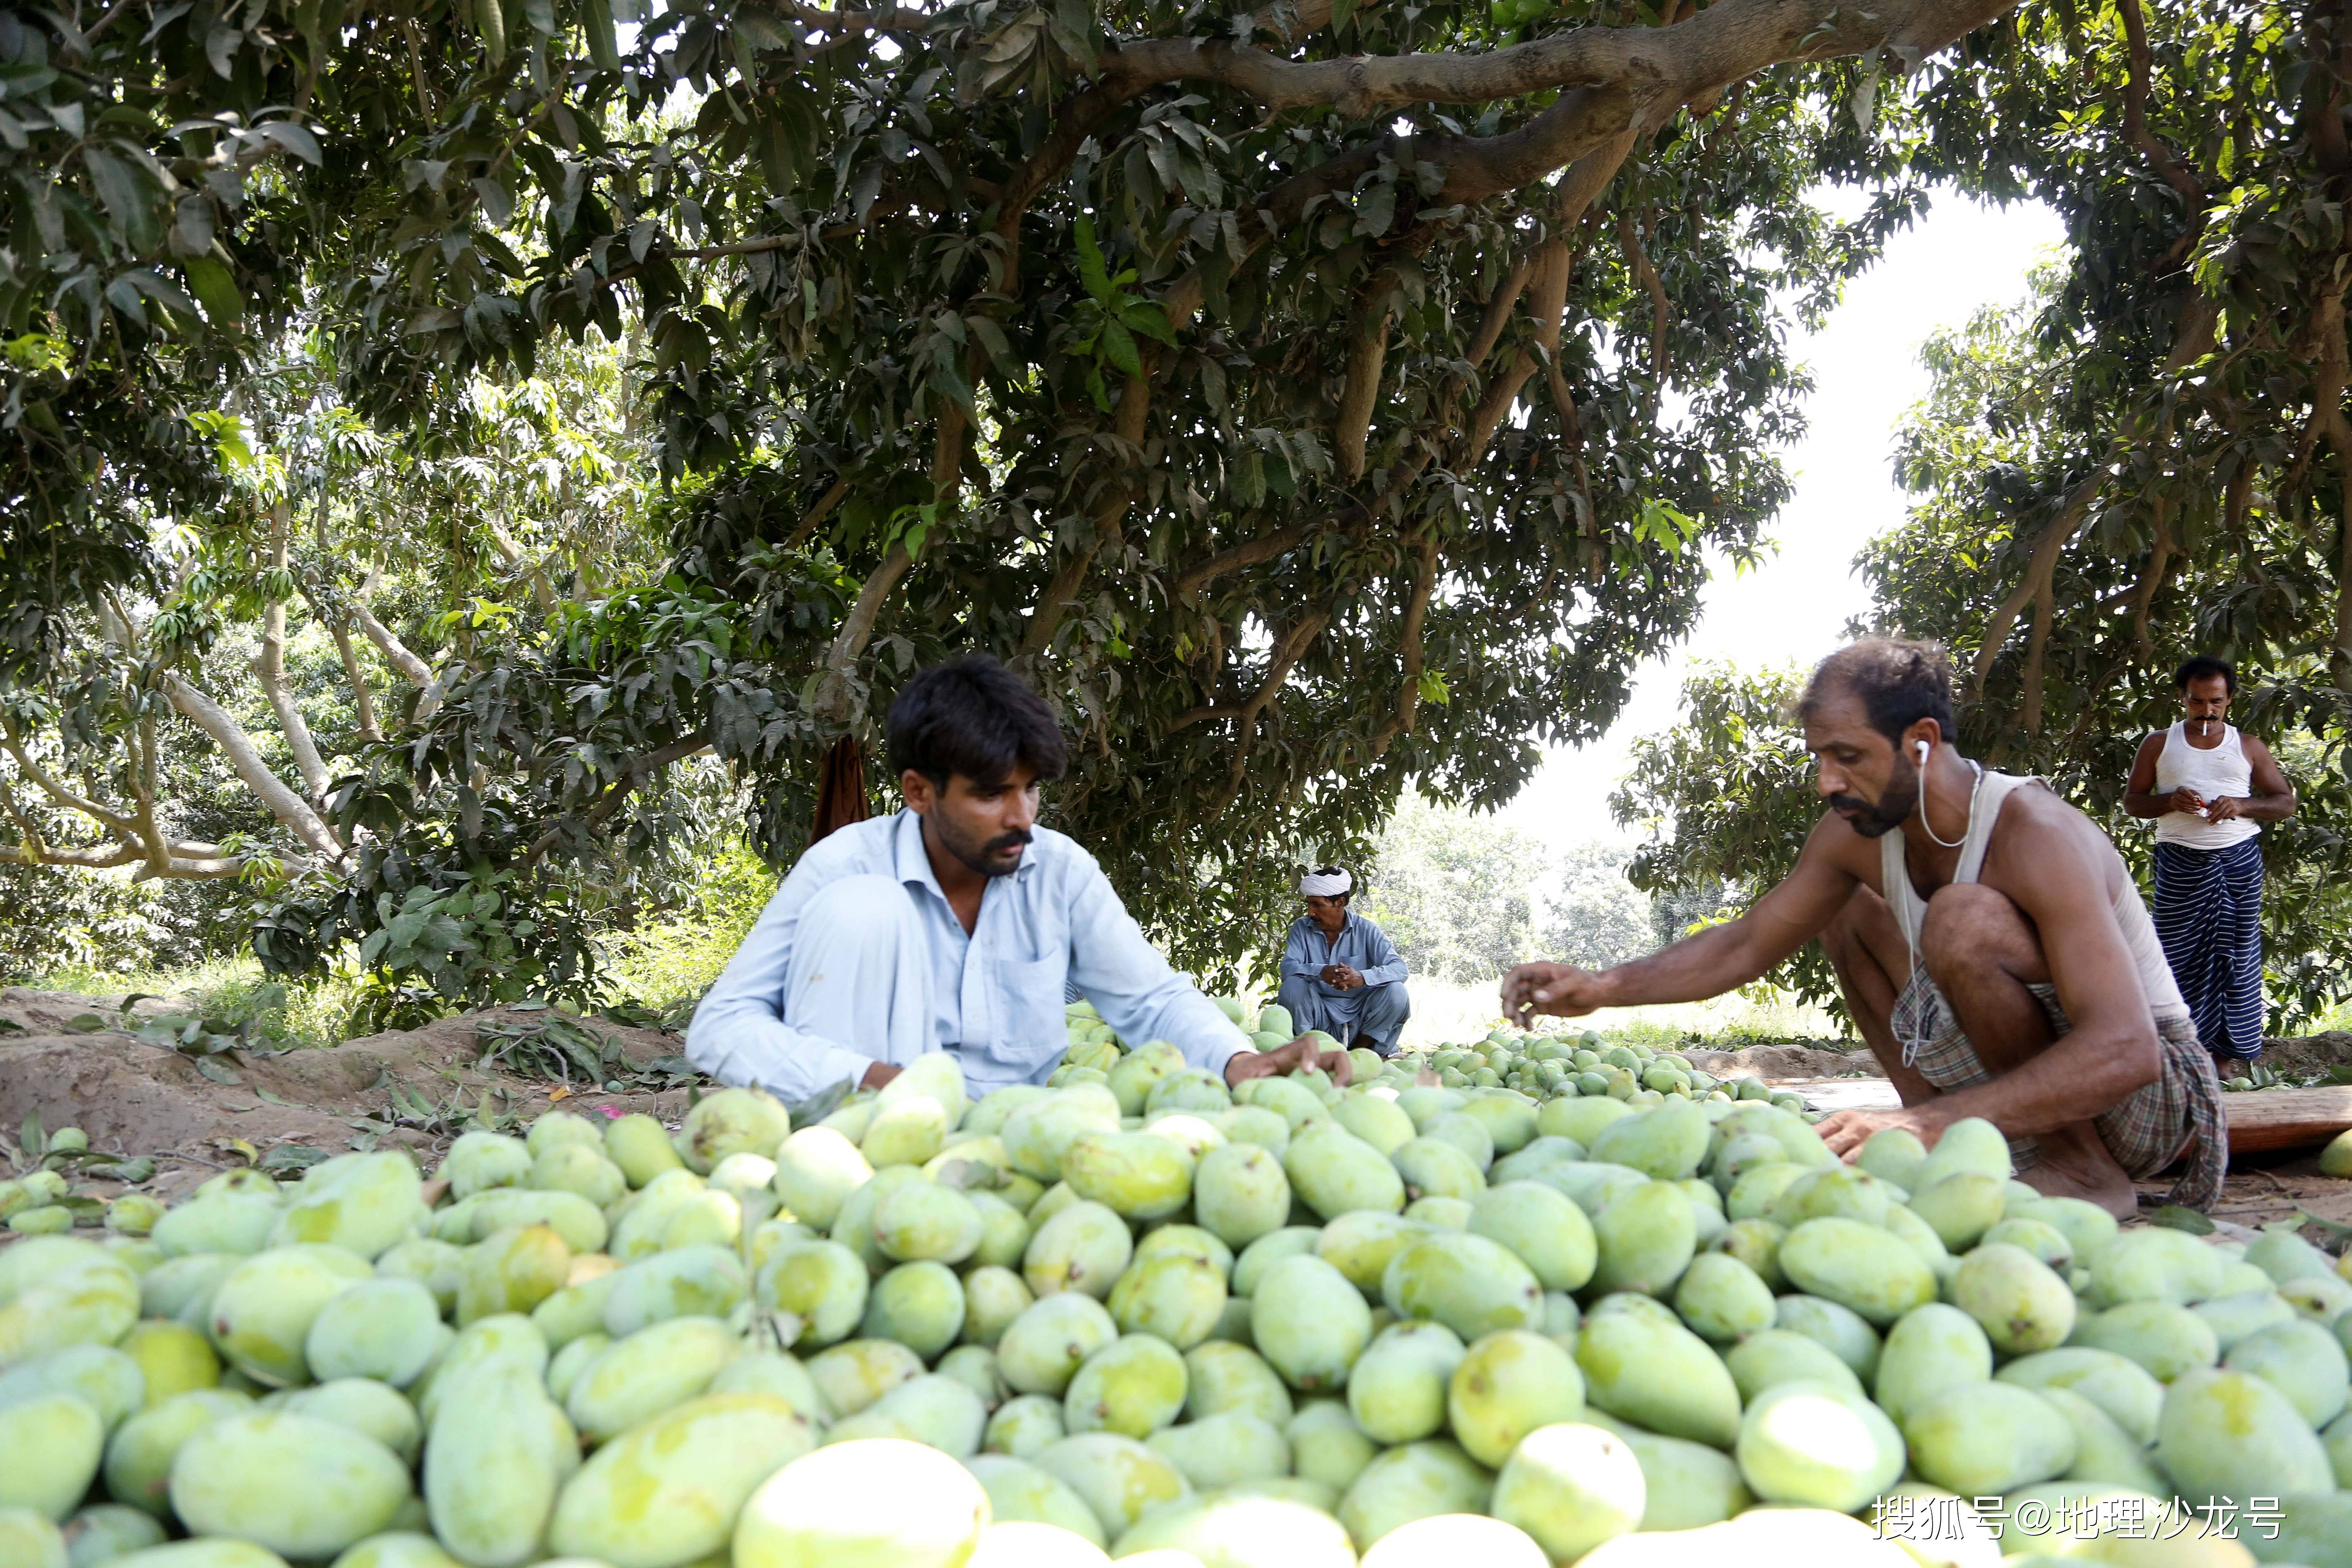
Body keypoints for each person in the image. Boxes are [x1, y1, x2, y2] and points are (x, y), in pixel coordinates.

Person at [1499, 637, 2225, 1215]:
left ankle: (2080, 1171)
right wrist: (1599, 988)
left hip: (2151, 1098)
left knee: (1961, 919)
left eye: (1847, 757)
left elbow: (2128, 1050)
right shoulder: (1856, 835)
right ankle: (1923, 1135)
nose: (1827, 782)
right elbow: (1748, 942)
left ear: (1921, 741)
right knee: (1843, 905)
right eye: (1820, 757)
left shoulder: (2032, 830)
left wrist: (1934, 1123)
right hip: (2028, 1089)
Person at [686, 654, 1348, 1100]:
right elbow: (722, 1026)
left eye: (1030, 791)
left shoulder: (1057, 873)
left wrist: (1241, 1061)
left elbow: (1151, 999)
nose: (1021, 817)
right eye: (992, 795)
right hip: (867, 1139)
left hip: (1018, 1150)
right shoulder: (846, 864)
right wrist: (874, 1081)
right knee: (861, 908)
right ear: (919, 792)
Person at [2123, 656, 2295, 1067]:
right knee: (2173, 956)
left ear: (2230, 699)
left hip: (2238, 864)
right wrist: (2169, 801)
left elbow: (2284, 802)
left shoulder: (2248, 746)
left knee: (2236, 957)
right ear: (2183, 699)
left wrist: (2241, 804)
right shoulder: (2159, 743)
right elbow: (2133, 801)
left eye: (2216, 702)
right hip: (2179, 862)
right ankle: (2176, 1055)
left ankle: (2226, 1061)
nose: (2207, 711)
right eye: (2197, 702)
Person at [1276, 867, 1412, 1056]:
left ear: (1339, 903)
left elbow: (1399, 969)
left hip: (1361, 1020)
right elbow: (1289, 968)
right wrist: (1322, 971)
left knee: (1397, 992)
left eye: (1317, 905)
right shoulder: (1301, 928)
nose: (1311, 913)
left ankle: (1359, 1054)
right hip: (1317, 1016)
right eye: (1309, 905)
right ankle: (1309, 1052)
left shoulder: (1366, 930)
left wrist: (1361, 978)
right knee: (1292, 986)